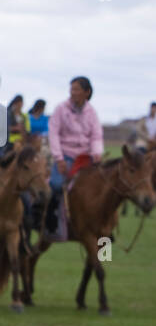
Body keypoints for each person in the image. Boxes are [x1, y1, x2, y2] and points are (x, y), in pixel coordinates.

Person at [43, 76, 103, 239]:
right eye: (72, 89)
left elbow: (96, 135)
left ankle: (105, 225)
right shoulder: (61, 109)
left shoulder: (91, 112)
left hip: (86, 158)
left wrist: (97, 153)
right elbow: (53, 134)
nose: (73, 92)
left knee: (104, 188)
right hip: (66, 156)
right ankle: (52, 222)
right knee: (55, 185)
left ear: (87, 92)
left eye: (76, 89)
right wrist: (59, 158)